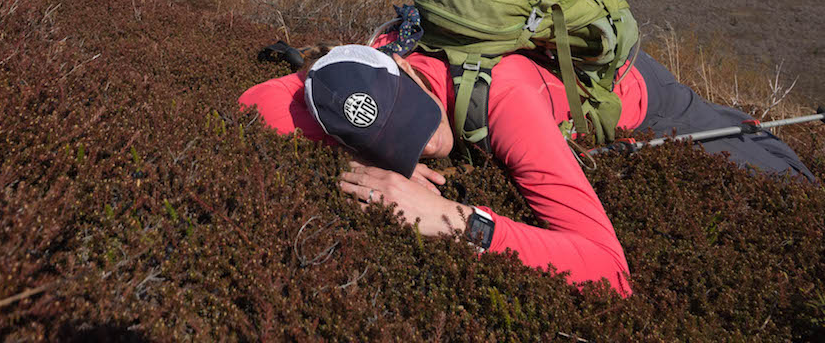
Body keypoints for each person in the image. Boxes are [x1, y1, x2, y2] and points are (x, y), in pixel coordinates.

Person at [240, 40, 814, 297]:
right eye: (399, 140)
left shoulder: (505, 99)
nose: (428, 141)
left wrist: (454, 219)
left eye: (413, 115)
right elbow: (254, 102)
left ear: (400, 65)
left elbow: (610, 271)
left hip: (646, 98)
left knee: (785, 176)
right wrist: (372, 152)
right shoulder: (371, 61)